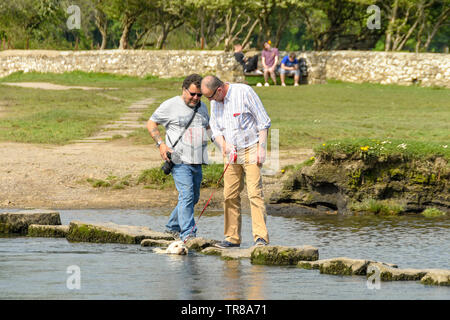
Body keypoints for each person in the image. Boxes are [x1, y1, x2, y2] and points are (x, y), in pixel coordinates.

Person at [201, 75, 271, 248]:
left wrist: (262, 149)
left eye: (210, 97)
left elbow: (264, 122)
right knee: (229, 195)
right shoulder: (214, 100)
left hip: (252, 147)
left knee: (254, 193)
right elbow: (215, 129)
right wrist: (224, 145)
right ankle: (232, 238)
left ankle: (260, 238)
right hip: (231, 151)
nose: (209, 101)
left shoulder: (244, 92)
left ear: (219, 90)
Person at [147, 74, 210, 242]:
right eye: (192, 94)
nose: (196, 98)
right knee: (187, 195)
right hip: (178, 160)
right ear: (184, 90)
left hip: (197, 160)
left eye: (199, 95)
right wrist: (161, 144)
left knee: (193, 197)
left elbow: (209, 128)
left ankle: (172, 227)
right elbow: (151, 123)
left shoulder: (203, 107)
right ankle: (188, 235)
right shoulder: (170, 105)